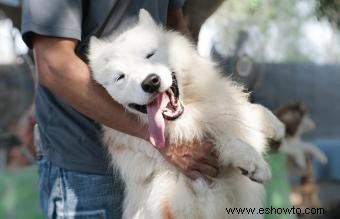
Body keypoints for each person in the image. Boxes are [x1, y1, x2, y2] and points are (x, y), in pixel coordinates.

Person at [21, 1, 219, 218]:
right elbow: (54, 65)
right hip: (90, 171)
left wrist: (219, 110)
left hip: (173, 164)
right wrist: (165, 142)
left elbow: (173, 24)